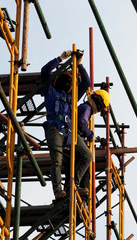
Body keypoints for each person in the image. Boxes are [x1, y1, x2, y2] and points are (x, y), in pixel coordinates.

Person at [41, 50, 92, 200]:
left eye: (70, 81)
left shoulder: (71, 97)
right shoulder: (50, 91)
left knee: (87, 155)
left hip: (68, 131)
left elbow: (87, 83)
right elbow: (45, 71)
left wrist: (80, 64)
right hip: (54, 128)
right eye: (66, 79)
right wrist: (60, 58)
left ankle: (72, 185)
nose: (68, 82)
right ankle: (58, 191)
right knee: (56, 160)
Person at [63, 89, 111, 198]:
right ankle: (74, 185)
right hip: (71, 139)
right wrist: (91, 134)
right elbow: (81, 124)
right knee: (87, 157)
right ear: (98, 102)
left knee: (78, 168)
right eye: (100, 108)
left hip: (69, 140)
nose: (98, 111)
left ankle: (70, 193)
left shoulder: (84, 108)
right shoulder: (87, 108)